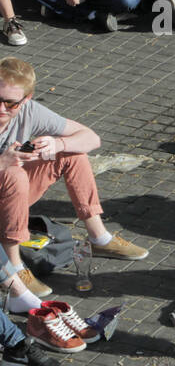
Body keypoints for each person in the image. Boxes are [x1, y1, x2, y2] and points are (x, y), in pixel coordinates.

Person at [0, 57, 149, 316]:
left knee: (73, 153)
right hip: (10, 186)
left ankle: (99, 237)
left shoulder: (30, 111)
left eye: (11, 103)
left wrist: (58, 145)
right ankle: (14, 267)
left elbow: (91, 138)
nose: (2, 109)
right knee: (14, 174)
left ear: (26, 99)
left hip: (12, 198)